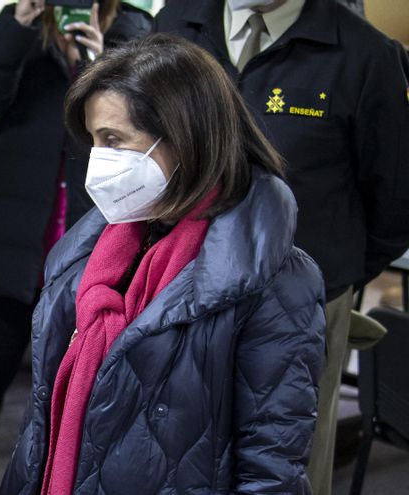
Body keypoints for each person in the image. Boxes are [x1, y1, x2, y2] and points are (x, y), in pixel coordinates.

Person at [0, 34, 327, 494]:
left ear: (183, 137)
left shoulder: (276, 281)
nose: (99, 161)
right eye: (94, 142)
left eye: (114, 140)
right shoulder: (90, 254)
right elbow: (40, 426)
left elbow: (271, 470)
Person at [153, 1, 409, 492]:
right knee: (175, 449)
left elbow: (395, 200)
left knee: (287, 463)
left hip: (301, 308)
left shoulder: (364, 55)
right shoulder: (176, 23)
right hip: (182, 288)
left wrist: (328, 278)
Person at [0, 1, 150, 492]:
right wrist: (17, 25)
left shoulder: (133, 30)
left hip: (90, 232)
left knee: (71, 382)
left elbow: (145, 116)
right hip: (17, 233)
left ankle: (50, 479)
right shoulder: (23, 23)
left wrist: (102, 62)